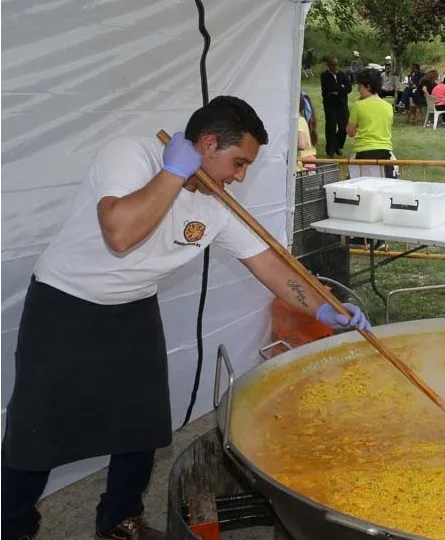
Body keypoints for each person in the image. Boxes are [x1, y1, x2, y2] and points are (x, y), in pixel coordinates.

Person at [0, 96, 371, 540]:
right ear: (208, 144)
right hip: (66, 303)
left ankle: (119, 520)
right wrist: (173, 173)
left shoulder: (217, 203)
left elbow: (271, 266)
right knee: (38, 431)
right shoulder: (131, 155)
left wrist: (325, 304)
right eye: (238, 162)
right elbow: (119, 233)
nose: (240, 176)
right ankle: (13, 526)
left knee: (141, 422)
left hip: (133, 307)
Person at [348, 69, 397, 178]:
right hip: (385, 152)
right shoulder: (388, 107)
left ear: (368, 87)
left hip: (363, 152)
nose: (358, 90)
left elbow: (350, 131)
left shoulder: (358, 106)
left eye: (360, 86)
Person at [320, 57, 352, 157]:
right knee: (331, 127)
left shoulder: (342, 75)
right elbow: (328, 89)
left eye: (336, 65)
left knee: (344, 127)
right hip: (330, 105)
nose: (335, 67)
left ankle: (338, 145)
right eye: (332, 65)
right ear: (328, 65)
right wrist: (340, 88)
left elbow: (348, 88)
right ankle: (330, 149)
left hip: (342, 104)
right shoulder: (324, 76)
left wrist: (338, 91)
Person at [297, 91, 319, 171]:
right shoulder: (303, 120)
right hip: (309, 161)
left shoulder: (298, 122)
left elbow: (301, 145)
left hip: (304, 164)